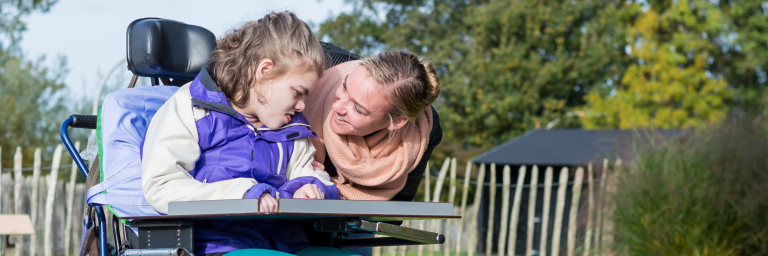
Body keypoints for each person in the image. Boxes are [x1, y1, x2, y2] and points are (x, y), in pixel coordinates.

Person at [140, 12, 357, 256]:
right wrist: (243, 193)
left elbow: (308, 172)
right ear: (264, 70)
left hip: (287, 245)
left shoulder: (293, 127)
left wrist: (311, 187)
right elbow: (161, 187)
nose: (302, 106)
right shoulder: (190, 107)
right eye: (298, 92)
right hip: (217, 244)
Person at [302, 50, 442, 255]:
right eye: (344, 87)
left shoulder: (425, 130)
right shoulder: (318, 59)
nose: (338, 105)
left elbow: (391, 214)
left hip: (355, 219)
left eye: (358, 109)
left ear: (397, 122)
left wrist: (326, 184)